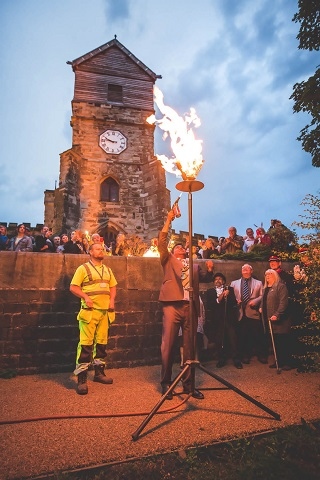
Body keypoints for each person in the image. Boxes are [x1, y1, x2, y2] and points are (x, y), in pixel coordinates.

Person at [158, 209, 214, 400]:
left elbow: (206, 278)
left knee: (190, 348)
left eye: (183, 247)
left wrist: (210, 269)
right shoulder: (168, 259)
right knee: (168, 344)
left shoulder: (194, 265)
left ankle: (189, 385)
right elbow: (162, 241)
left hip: (190, 305)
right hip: (172, 305)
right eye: (178, 247)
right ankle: (166, 383)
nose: (181, 248)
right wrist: (168, 219)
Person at [70, 243, 117, 395]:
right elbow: (73, 287)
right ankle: (82, 378)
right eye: (97, 249)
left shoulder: (107, 270)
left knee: (102, 344)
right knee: (85, 345)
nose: (101, 251)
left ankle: (99, 373)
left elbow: (113, 286)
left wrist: (112, 301)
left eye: (102, 249)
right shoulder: (83, 269)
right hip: (89, 312)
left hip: (105, 312)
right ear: (90, 252)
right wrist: (85, 297)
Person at [231, 264, 267, 364]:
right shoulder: (234, 283)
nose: (245, 270)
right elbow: (231, 297)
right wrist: (235, 301)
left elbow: (262, 295)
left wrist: (256, 301)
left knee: (258, 335)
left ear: (251, 271)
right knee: (243, 336)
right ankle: (245, 355)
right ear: (241, 271)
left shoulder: (258, 283)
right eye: (243, 269)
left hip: (253, 312)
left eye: (248, 269)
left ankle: (262, 355)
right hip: (240, 313)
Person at [205, 273, 242, 369]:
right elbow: (211, 304)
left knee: (233, 339)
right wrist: (222, 295)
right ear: (213, 282)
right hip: (217, 320)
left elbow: (233, 303)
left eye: (220, 279)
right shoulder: (209, 292)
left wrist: (236, 302)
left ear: (224, 281)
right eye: (216, 279)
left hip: (229, 319)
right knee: (219, 340)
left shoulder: (230, 290)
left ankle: (236, 360)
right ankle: (221, 359)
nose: (218, 280)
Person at [259, 269, 291, 370]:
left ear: (275, 275)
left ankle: (286, 362)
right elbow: (263, 300)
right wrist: (260, 306)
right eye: (266, 274)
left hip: (279, 320)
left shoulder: (280, 286)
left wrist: (277, 314)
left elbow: (283, 303)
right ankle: (278, 361)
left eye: (270, 274)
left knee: (283, 342)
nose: (267, 276)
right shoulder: (265, 288)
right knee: (275, 342)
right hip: (268, 320)